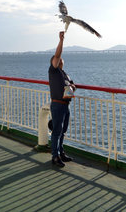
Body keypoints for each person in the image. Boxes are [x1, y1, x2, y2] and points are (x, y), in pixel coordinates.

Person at [49, 31, 75, 167]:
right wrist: (61, 40)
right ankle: (55, 156)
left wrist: (72, 86)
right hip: (58, 105)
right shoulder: (53, 71)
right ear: (54, 61)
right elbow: (58, 54)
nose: (59, 60)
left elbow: (72, 85)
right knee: (57, 131)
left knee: (63, 130)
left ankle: (61, 152)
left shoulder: (65, 74)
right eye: (57, 59)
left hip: (65, 105)